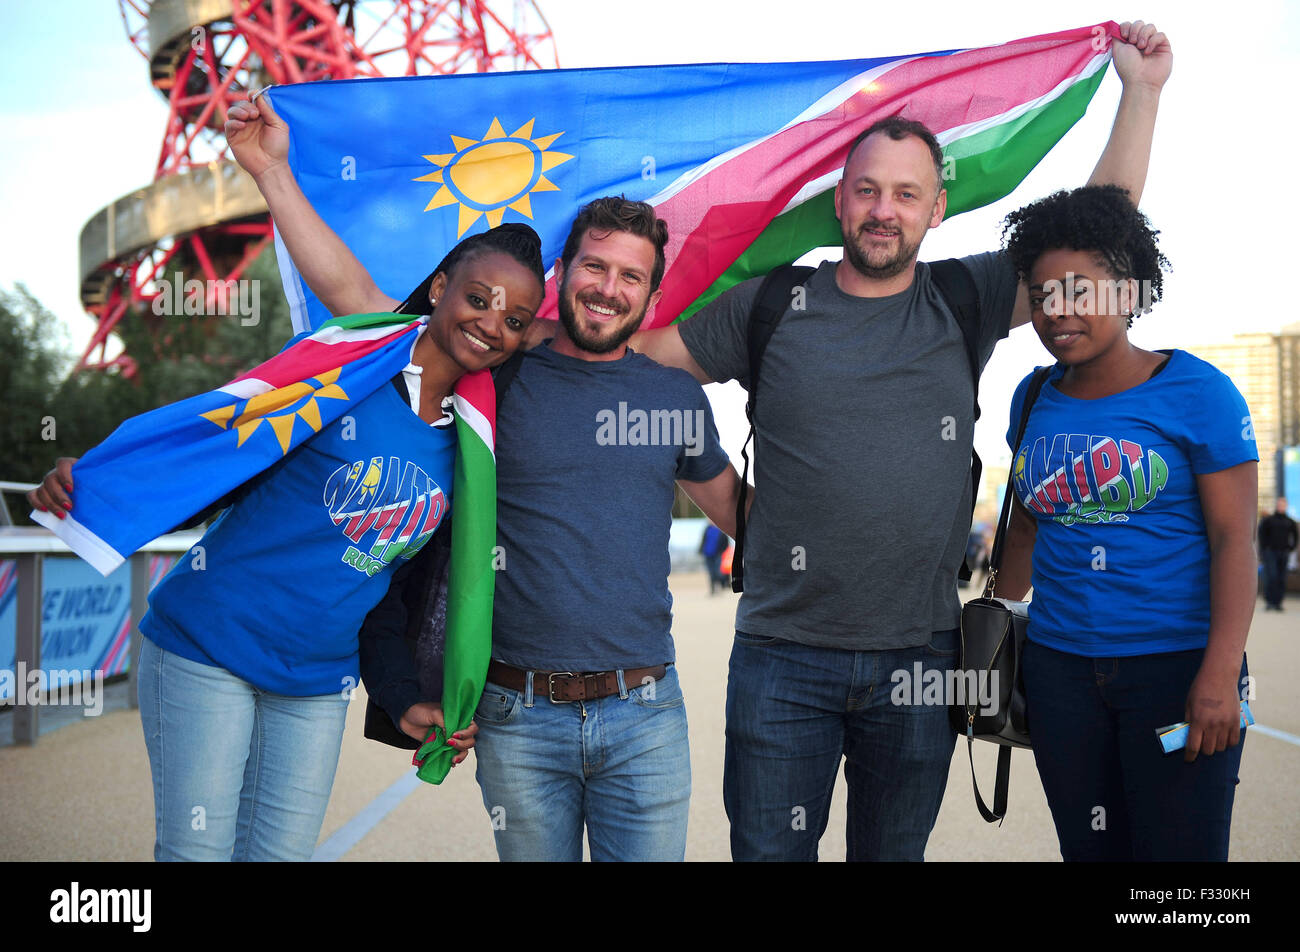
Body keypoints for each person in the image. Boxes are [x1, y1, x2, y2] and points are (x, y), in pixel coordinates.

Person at [627, 20, 1173, 860]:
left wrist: (1140, 93)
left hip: (925, 655)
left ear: (936, 206)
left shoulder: (967, 298)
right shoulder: (772, 302)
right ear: (839, 200)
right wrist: (722, 494)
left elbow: (1095, 243)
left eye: (907, 194)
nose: (885, 211)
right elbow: (634, 362)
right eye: (869, 190)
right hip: (781, 657)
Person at [226, 93, 746, 860]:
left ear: (652, 295)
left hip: (645, 713)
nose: (608, 288)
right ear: (563, 272)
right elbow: (363, 304)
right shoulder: (494, 370)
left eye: (630, 277)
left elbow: (745, 516)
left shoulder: (673, 397)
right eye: (594, 267)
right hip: (515, 714)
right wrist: (272, 172)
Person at [28, 219, 547, 861]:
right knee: (198, 853)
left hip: (315, 684)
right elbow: (219, 455)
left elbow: (381, 587)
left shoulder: (468, 448)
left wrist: (401, 697)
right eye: (478, 299)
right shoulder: (345, 377)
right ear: (440, 287)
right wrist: (102, 485)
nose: (493, 325)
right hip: (208, 649)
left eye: (516, 320)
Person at [996, 185, 1257, 861]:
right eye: (1044, 293)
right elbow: (1025, 530)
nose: (1060, 310)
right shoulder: (1031, 398)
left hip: (1176, 672)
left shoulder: (1197, 393)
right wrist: (991, 632)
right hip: (1060, 677)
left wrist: (1219, 675)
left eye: (1081, 290)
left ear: (1131, 293)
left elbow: (1236, 540)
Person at [1258, 499, 1298, 611]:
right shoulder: (1269, 520)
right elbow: (1262, 535)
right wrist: (1264, 549)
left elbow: (1295, 536)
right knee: (1272, 576)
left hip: (1284, 552)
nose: (1281, 506)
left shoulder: (1290, 522)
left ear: (1286, 506)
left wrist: (1291, 547)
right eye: (1280, 504)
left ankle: (1278, 602)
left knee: (1281, 578)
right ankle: (1269, 601)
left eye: (1283, 505)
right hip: (1270, 552)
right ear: (1277, 505)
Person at [700, 523, 730, 593]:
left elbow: (726, 542)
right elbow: (703, 540)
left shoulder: (721, 529)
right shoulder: (707, 528)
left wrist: (722, 552)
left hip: (718, 555)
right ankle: (713, 589)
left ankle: (723, 585)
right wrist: (701, 550)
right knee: (711, 572)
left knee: (718, 572)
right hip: (707, 554)